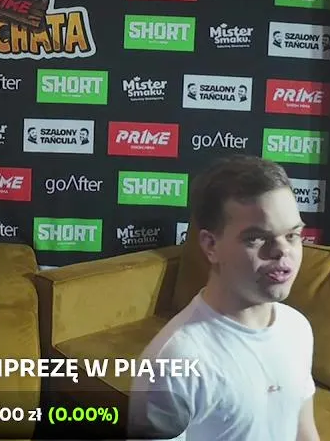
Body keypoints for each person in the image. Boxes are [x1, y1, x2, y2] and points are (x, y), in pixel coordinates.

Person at [128, 155, 320, 441]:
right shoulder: (173, 363)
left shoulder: (298, 328)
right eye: (256, 238)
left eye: (292, 235)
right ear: (210, 245)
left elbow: (303, 430)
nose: (282, 251)